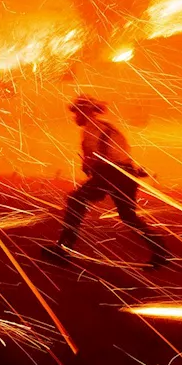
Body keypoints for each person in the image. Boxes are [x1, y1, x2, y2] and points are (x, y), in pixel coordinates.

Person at [43, 96, 168, 267]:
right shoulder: (107, 127)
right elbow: (119, 152)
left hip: (111, 174)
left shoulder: (91, 129)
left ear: (85, 111)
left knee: (75, 201)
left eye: (77, 112)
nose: (75, 117)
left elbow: (96, 158)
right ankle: (160, 251)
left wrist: (88, 165)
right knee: (128, 217)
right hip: (126, 173)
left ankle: (64, 249)